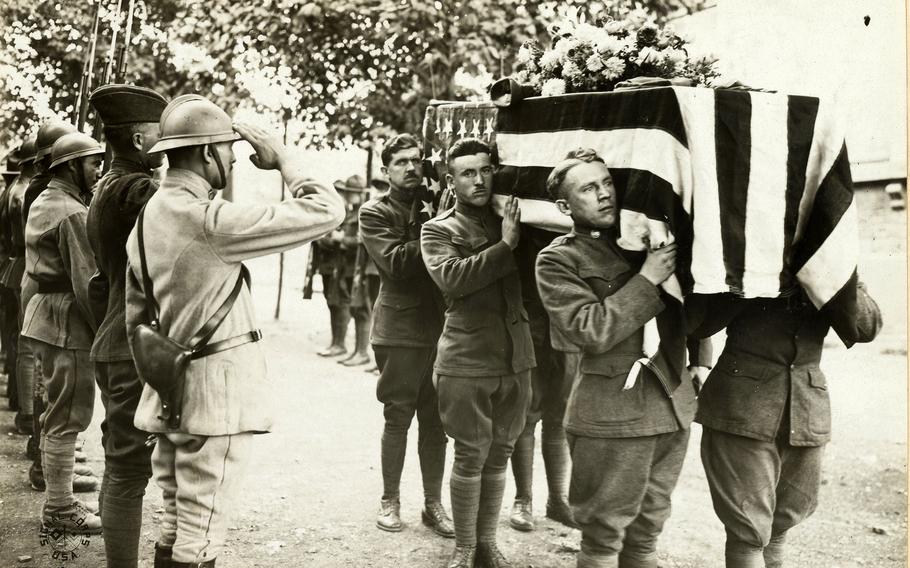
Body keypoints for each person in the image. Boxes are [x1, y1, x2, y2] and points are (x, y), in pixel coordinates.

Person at [124, 94, 344, 568]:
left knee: (174, 518)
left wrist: (164, 379)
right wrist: (285, 158)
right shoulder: (209, 219)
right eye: (227, 148)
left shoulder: (149, 215)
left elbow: (134, 318)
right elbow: (326, 210)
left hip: (168, 390)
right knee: (199, 534)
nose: (233, 157)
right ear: (206, 153)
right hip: (214, 401)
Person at [535, 148, 708, 568]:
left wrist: (702, 358)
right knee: (603, 536)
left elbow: (692, 301)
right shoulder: (559, 259)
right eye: (589, 188)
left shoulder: (642, 237)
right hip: (612, 415)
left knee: (647, 534)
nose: (604, 194)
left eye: (607, 183)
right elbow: (590, 329)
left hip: (672, 405)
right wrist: (648, 277)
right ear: (564, 206)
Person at [689, 285, 881, 567]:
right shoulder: (746, 254)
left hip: (805, 408)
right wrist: (751, 279)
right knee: (749, 531)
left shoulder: (827, 262)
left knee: (781, 523)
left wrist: (840, 279)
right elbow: (698, 323)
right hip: (743, 408)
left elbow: (866, 329)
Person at [421, 137, 535, 568]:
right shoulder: (438, 229)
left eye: (486, 170)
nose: (479, 180)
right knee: (471, 452)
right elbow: (453, 279)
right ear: (451, 182)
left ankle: (486, 542)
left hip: (516, 357)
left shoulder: (515, 219)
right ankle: (465, 546)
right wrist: (505, 246)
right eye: (467, 173)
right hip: (467, 358)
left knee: (501, 451)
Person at [86, 83, 168, 568]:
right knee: (128, 470)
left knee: (120, 462)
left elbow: (99, 284)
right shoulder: (137, 190)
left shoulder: (107, 186)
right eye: (162, 133)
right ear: (140, 141)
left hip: (114, 336)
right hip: (132, 342)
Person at [359, 133, 453, 537]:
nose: (412, 167)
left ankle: (433, 504)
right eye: (401, 162)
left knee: (437, 421)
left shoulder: (434, 203)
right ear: (386, 171)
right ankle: (390, 499)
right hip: (399, 329)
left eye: (417, 160)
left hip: (441, 327)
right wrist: (436, 227)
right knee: (398, 416)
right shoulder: (374, 212)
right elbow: (396, 264)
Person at [22, 131, 105, 534]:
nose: (99, 169)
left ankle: (59, 494)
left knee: (57, 408)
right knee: (68, 414)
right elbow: (87, 281)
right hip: (66, 321)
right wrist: (104, 328)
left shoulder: (46, 198)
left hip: (44, 313)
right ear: (72, 166)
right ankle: (59, 507)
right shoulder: (72, 211)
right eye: (93, 163)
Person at [507, 223, 577, 532]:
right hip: (531, 326)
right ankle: (524, 498)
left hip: (567, 329)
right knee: (526, 413)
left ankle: (558, 499)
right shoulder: (525, 218)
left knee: (560, 415)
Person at [317, 174, 371, 366]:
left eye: (354, 193)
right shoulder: (351, 213)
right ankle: (353, 349)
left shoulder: (365, 213)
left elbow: (361, 241)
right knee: (347, 304)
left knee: (359, 307)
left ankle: (361, 352)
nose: (350, 196)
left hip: (358, 267)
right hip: (346, 266)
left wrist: (341, 240)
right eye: (349, 192)